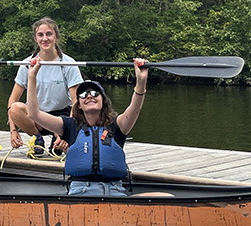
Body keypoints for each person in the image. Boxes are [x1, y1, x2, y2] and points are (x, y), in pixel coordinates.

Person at [26, 58, 167, 196]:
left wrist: (141, 82)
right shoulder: (69, 126)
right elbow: (34, 114)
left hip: (115, 192)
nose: (89, 96)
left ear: (103, 100)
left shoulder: (117, 126)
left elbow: (135, 108)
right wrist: (32, 76)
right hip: (80, 192)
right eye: (83, 94)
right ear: (79, 105)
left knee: (165, 197)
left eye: (94, 93)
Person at [7, 17, 84, 155]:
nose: (45, 38)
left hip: (61, 118)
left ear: (56, 36)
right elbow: (12, 101)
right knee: (15, 108)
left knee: (64, 147)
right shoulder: (27, 64)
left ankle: (58, 139)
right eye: (40, 35)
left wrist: (67, 132)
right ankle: (38, 139)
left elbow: (76, 103)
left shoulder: (68, 64)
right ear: (36, 38)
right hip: (37, 117)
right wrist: (13, 131)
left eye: (49, 34)